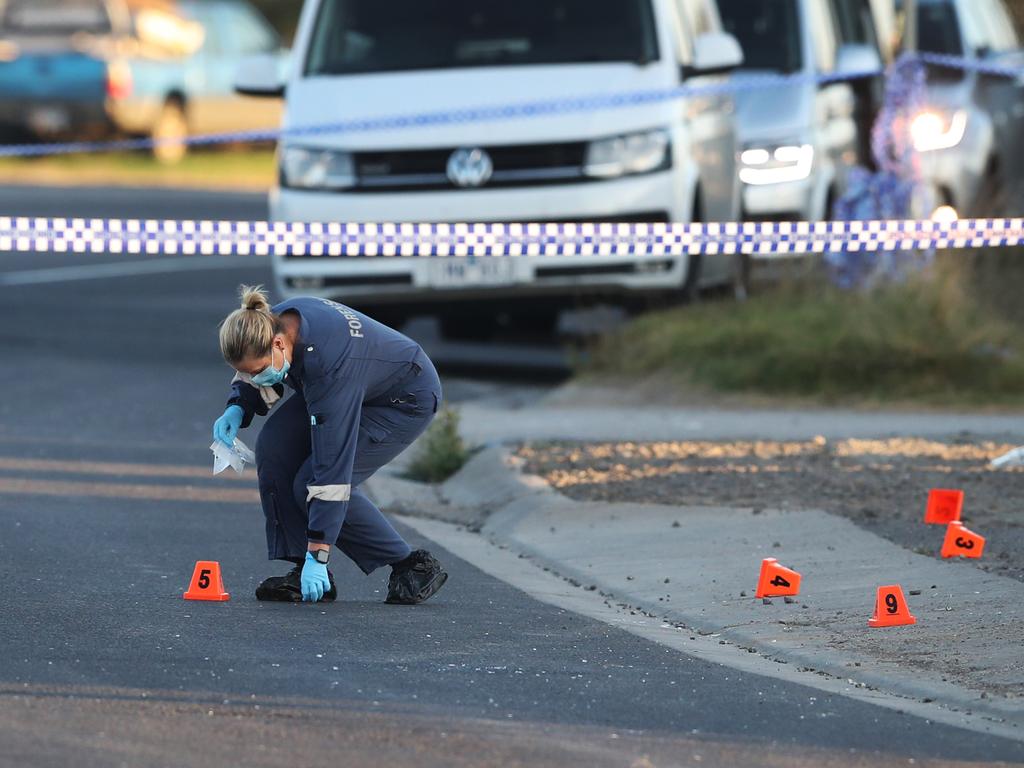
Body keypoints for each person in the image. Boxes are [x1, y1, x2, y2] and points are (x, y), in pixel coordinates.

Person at [212, 285, 448, 604]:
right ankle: (301, 570)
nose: (257, 377)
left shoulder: (328, 366)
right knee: (274, 448)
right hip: (359, 383)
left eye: (257, 372)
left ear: (279, 344)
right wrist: (238, 405)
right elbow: (257, 370)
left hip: (402, 399)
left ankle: (412, 565)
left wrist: (319, 556)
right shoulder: (270, 324)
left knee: (312, 481)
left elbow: (331, 472)